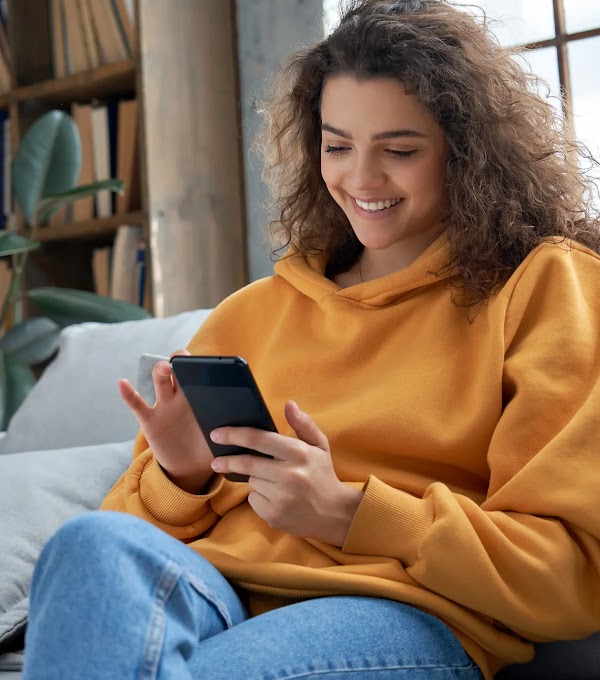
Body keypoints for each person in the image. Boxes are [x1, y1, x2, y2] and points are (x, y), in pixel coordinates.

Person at [21, 1, 600, 678]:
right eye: (338, 145)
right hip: (213, 589)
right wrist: (181, 475)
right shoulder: (253, 312)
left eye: (400, 150)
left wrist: (349, 512)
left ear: (467, 152)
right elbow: (135, 543)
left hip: (397, 606)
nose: (361, 179)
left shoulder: (544, 287)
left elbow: (571, 573)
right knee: (91, 543)